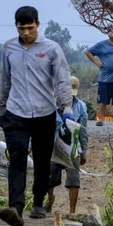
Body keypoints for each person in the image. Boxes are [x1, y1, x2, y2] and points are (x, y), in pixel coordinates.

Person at [0, 6, 73, 226]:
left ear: (38, 25)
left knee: (41, 161)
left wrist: (66, 106)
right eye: (22, 28)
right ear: (16, 27)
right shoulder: (8, 48)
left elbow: (62, 79)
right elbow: (5, 80)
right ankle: (16, 207)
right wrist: (1, 108)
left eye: (30, 28)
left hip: (44, 113)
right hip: (15, 112)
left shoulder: (51, 49)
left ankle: (38, 202)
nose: (26, 33)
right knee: (17, 158)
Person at [44, 76, 89, 214]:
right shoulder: (50, 104)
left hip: (72, 147)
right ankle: (50, 199)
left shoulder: (81, 107)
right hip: (53, 146)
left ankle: (72, 212)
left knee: (74, 180)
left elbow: (83, 130)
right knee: (47, 178)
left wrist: (84, 151)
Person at [84, 31, 113, 126]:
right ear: (108, 34)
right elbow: (88, 52)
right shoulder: (102, 45)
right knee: (102, 100)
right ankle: (101, 120)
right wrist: (96, 62)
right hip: (104, 79)